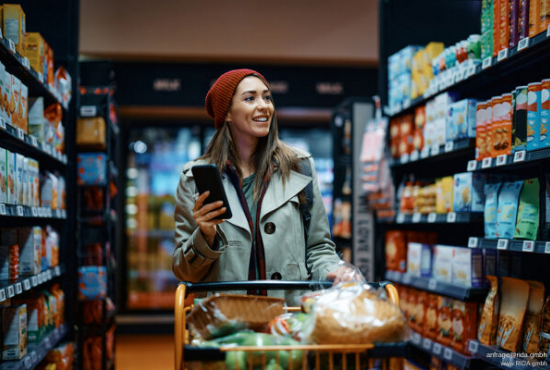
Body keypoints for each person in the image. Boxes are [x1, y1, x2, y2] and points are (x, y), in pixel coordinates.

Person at [172, 69, 353, 304]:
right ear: (226, 112)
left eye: (267, 97)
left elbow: (318, 248)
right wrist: (206, 236)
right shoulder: (194, 179)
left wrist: (333, 270)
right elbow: (184, 272)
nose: (264, 106)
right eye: (250, 98)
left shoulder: (300, 167)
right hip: (226, 325)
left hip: (288, 319)